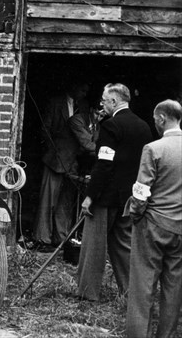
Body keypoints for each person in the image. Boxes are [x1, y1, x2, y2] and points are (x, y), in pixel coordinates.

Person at [77, 83, 152, 301]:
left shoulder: (111, 126)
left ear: (114, 101)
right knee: (123, 247)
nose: (101, 103)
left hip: (105, 198)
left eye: (104, 99)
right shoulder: (144, 127)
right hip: (128, 198)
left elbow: (104, 164)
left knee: (94, 246)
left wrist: (89, 197)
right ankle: (131, 293)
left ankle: (87, 293)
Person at [125, 100, 182, 338]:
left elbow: (141, 191)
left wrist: (136, 214)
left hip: (153, 224)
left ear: (161, 119)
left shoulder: (153, 148)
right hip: (180, 228)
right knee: (174, 287)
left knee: (142, 286)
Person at [33, 81, 89, 249]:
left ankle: (62, 238)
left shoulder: (84, 106)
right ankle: (42, 238)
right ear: (72, 86)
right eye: (81, 88)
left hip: (74, 160)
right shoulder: (55, 102)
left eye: (86, 90)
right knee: (48, 199)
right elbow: (45, 129)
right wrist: (54, 151)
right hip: (55, 158)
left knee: (66, 200)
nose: (83, 92)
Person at [69, 102, 105, 176]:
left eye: (101, 116)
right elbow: (86, 144)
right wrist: (104, 151)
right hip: (67, 160)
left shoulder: (97, 127)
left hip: (80, 162)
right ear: (91, 110)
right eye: (96, 113)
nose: (98, 118)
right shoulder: (77, 120)